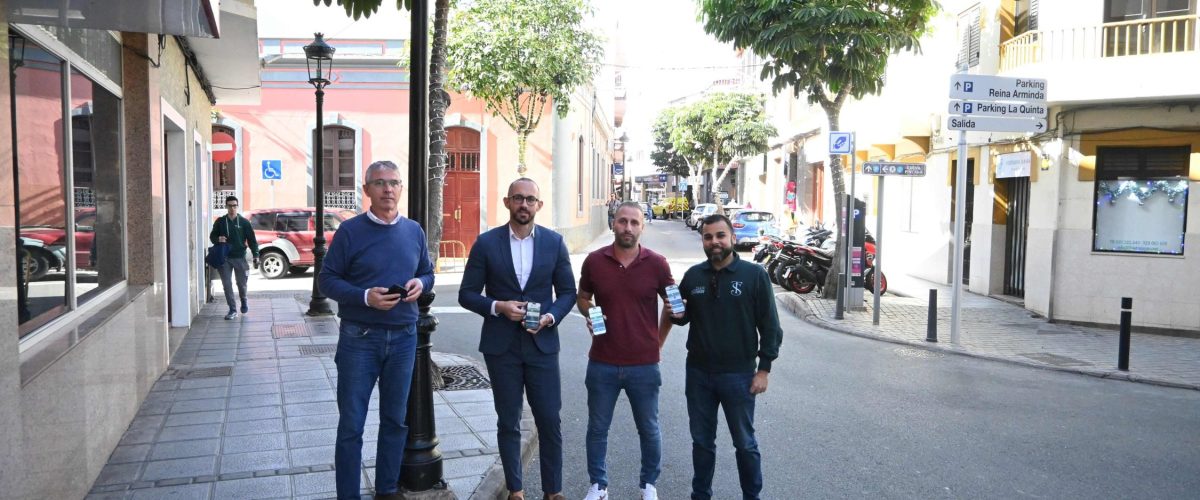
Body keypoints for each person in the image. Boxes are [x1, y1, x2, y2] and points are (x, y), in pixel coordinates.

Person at [318, 160, 435, 500]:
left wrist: (419, 283)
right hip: (360, 339)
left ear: (401, 188)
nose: (388, 189)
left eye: (394, 182)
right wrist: (365, 297)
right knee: (352, 425)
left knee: (395, 421)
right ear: (366, 189)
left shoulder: (414, 231)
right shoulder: (350, 232)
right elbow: (327, 281)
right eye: (380, 183)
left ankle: (386, 489)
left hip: (404, 338)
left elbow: (427, 272)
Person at [459, 178, 577, 500]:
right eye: (517, 198)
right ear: (507, 201)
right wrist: (498, 306)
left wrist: (550, 317)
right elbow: (467, 294)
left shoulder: (554, 243)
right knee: (508, 421)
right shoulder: (486, 243)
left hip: (542, 344)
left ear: (538, 205)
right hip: (502, 348)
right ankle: (516, 490)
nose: (523, 205)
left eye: (530, 199)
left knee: (549, 420)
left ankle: (553, 492)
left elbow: (568, 292)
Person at [671, 213, 782, 500]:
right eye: (708, 237)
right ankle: (701, 495)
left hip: (740, 376)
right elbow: (683, 316)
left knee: (745, 443)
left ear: (732, 238)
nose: (714, 242)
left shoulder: (755, 275)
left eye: (720, 235)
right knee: (702, 443)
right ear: (703, 241)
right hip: (698, 375)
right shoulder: (693, 276)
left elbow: (770, 327)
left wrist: (764, 370)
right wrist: (676, 314)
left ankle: (751, 496)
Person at [576, 202, 675, 500]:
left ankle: (648, 485)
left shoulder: (657, 263)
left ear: (642, 226)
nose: (628, 227)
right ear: (613, 224)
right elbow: (582, 297)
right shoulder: (594, 261)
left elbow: (674, 305)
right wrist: (591, 313)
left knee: (649, 429)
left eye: (634, 222)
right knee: (597, 429)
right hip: (602, 362)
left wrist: (658, 342)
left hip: (644, 365)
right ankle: (599, 486)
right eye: (622, 221)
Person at [208, 195, 260, 320]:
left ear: (237, 206)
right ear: (226, 206)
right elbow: (212, 236)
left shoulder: (244, 222)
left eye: (234, 206)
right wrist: (218, 239)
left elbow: (252, 240)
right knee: (226, 284)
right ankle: (232, 309)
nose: (232, 208)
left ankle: (243, 299)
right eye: (230, 206)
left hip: (240, 257)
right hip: (224, 258)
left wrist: (256, 255)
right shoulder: (220, 221)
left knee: (241, 284)